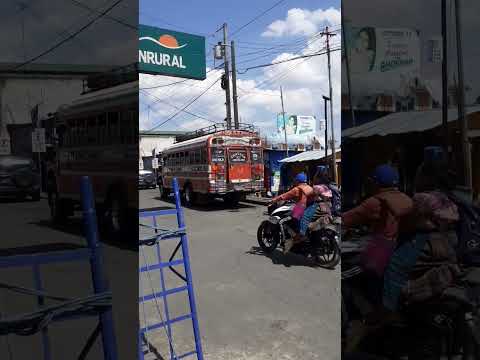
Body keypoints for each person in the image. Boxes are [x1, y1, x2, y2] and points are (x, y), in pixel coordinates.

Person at [271, 172, 314, 253]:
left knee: (283, 221)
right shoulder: (309, 187)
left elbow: (283, 196)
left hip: (301, 209)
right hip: (310, 209)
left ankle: (293, 238)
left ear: (297, 181)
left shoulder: (297, 189)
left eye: (295, 180)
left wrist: (274, 200)